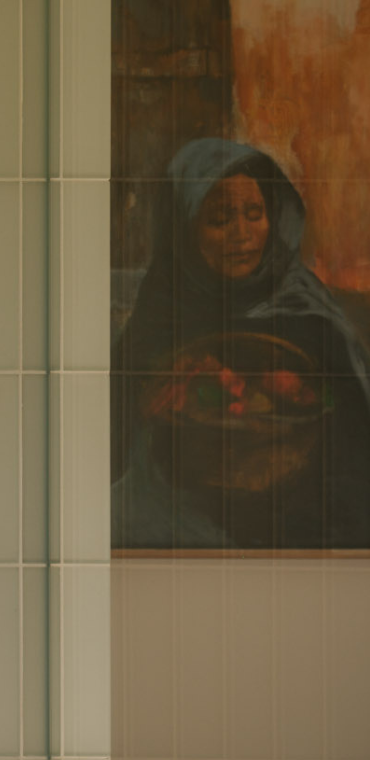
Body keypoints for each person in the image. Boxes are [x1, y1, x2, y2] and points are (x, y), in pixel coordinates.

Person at [112, 138, 370, 548]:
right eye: (220, 218)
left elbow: (352, 432)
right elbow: (113, 424)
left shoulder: (305, 309)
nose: (243, 235)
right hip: (175, 499)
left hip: (296, 507)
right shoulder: (164, 304)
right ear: (185, 227)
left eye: (255, 214)